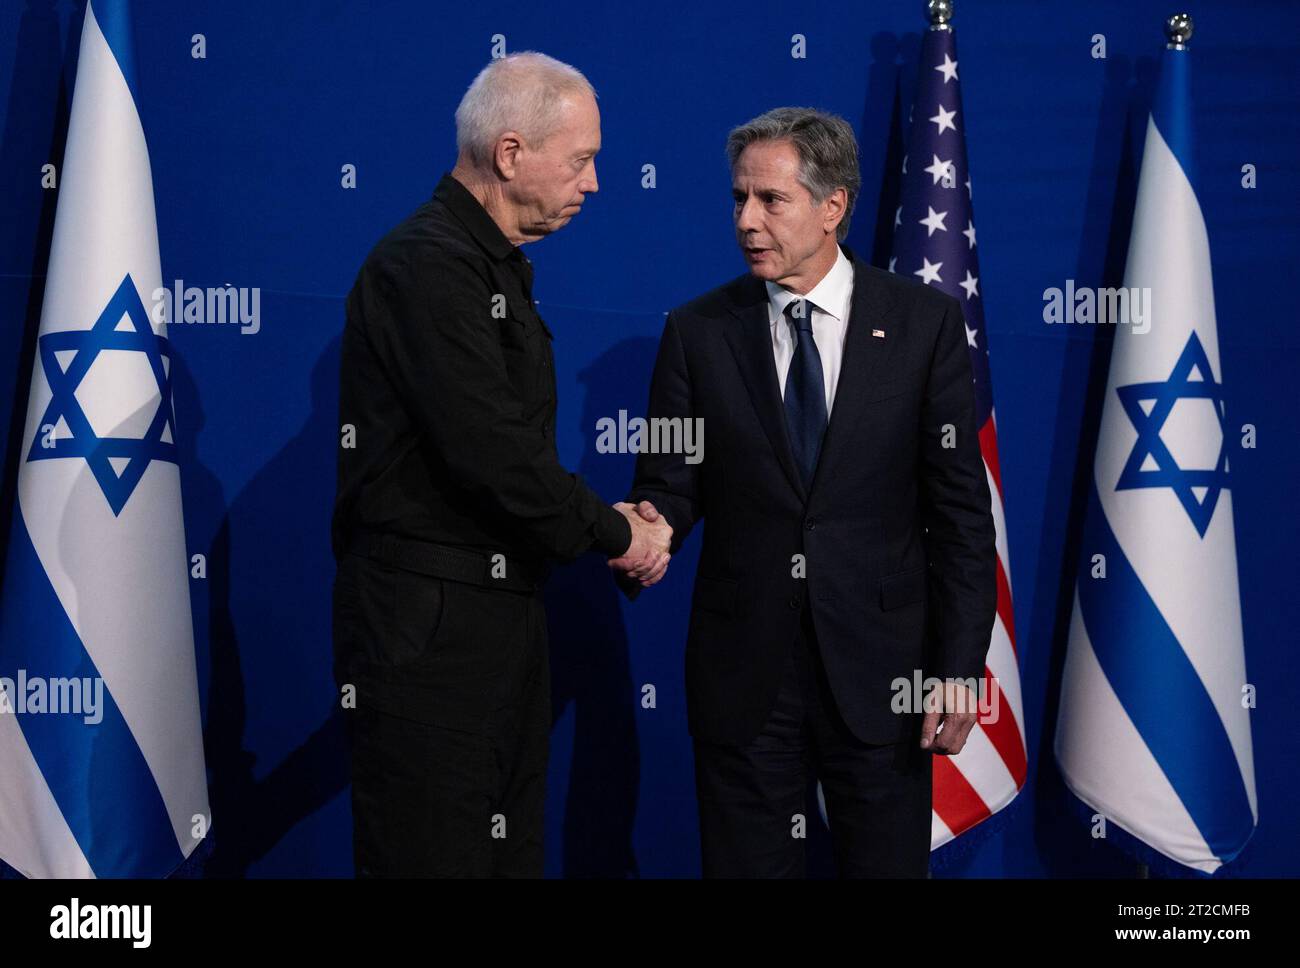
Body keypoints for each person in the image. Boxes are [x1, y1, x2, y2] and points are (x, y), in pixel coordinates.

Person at [611, 107, 996, 877]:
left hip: (883, 673)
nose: (745, 221)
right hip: (745, 671)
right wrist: (649, 526)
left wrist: (957, 667)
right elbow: (671, 479)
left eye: (769, 200)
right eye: (738, 199)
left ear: (833, 207)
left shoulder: (923, 326)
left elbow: (959, 518)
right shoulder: (698, 331)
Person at [332, 52, 670, 877]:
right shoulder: (426, 266)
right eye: (582, 158)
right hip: (431, 635)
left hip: (498, 621)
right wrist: (617, 533)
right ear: (511, 154)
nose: (594, 183)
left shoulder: (488, 268)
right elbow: (494, 454)